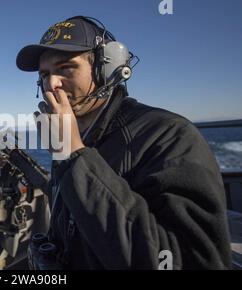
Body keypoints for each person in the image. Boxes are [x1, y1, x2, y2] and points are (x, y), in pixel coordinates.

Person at [16, 15, 232, 269]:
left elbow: (190, 261)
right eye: (44, 74)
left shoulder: (170, 136)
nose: (51, 84)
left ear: (105, 70)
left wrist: (73, 155)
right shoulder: (75, 137)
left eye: (66, 68)